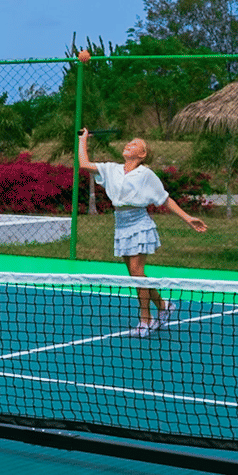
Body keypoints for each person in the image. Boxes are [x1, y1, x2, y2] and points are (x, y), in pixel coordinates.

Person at [78, 129, 207, 337]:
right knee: (135, 275)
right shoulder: (111, 169)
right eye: (128, 142)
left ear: (142, 154)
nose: (129, 144)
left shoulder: (146, 175)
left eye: (135, 144)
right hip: (121, 223)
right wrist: (82, 140)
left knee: (137, 273)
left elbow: (164, 199)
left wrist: (188, 218)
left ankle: (145, 320)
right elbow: (84, 164)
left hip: (139, 223)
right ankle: (163, 306)